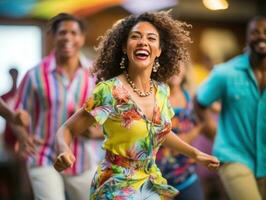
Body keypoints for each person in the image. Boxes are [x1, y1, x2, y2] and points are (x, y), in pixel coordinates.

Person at [54, 11, 220, 200]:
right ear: (124, 47)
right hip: (115, 185)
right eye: (135, 36)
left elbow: (161, 132)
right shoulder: (109, 91)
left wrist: (197, 154)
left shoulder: (161, 92)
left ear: (159, 50)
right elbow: (66, 129)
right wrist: (64, 150)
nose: (143, 42)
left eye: (151, 38)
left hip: (150, 184)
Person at [13, 13, 101, 200]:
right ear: (53, 37)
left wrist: (95, 133)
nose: (67, 37)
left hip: (83, 159)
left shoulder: (95, 76)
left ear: (82, 37)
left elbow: (111, 120)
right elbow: (17, 115)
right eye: (62, 33)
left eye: (73, 33)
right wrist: (22, 135)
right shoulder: (35, 75)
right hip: (44, 156)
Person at [194, 16, 266, 200]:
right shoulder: (225, 72)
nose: (261, 36)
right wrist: (212, 130)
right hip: (234, 155)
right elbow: (200, 101)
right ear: (247, 37)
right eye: (255, 32)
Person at [155, 65, 205, 200]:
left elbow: (202, 121)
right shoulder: (155, 98)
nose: (175, 68)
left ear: (186, 69)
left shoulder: (190, 95)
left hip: (186, 174)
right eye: (171, 63)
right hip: (158, 179)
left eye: (180, 64)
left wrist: (193, 133)